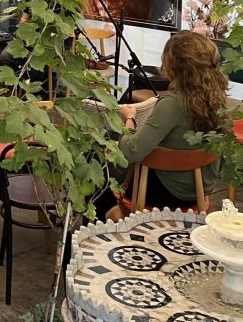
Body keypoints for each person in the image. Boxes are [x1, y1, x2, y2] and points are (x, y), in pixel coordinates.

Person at [95, 31, 229, 221]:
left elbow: (132, 152)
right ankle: (111, 216)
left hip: (168, 193)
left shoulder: (173, 104)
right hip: (200, 188)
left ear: (173, 66)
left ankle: (101, 225)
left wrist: (130, 119)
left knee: (98, 158)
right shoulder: (218, 100)